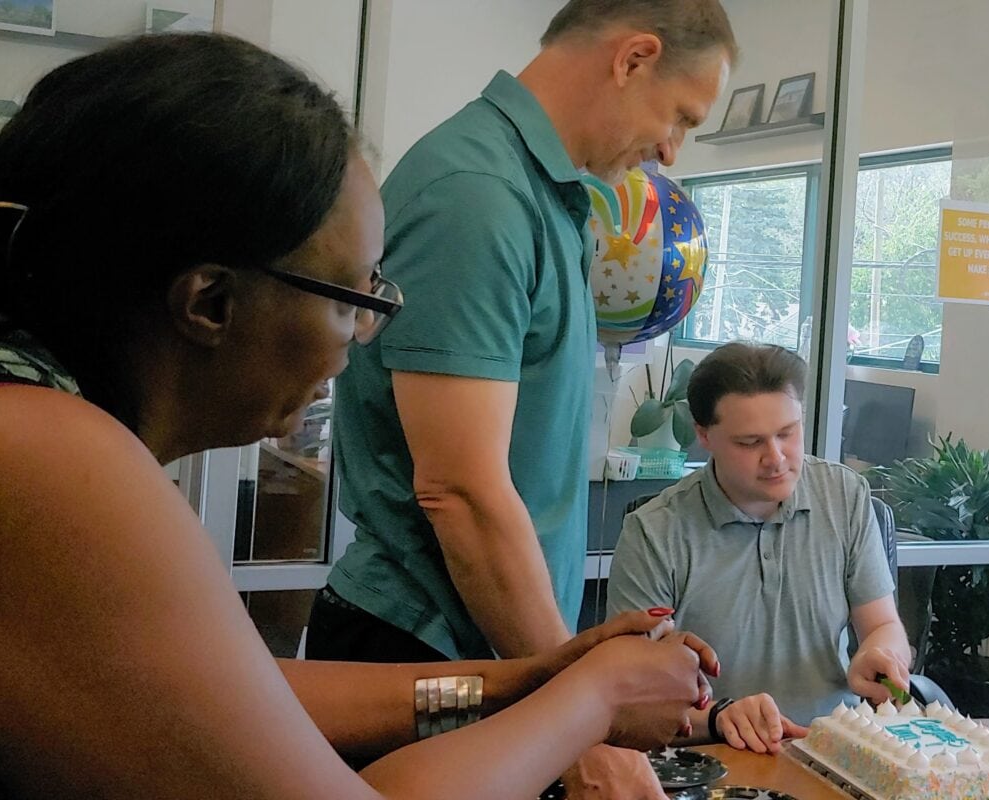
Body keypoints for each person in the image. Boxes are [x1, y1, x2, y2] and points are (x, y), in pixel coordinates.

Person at [0, 32, 720, 799]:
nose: (367, 334)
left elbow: (250, 696)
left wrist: (530, 678)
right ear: (209, 301)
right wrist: (591, 700)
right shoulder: (50, 450)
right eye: (356, 299)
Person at [308, 1, 737, 796]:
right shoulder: (478, 194)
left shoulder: (547, 200)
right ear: (633, 57)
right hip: (428, 655)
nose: (671, 151)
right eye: (681, 116)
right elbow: (460, 491)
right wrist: (584, 722)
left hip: (490, 655)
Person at [607, 342, 912, 755]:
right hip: (713, 755)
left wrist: (879, 654)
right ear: (703, 435)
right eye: (750, 443)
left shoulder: (844, 495)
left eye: (788, 433)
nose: (776, 458)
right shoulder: (655, 532)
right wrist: (718, 716)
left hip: (834, 748)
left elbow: (881, 625)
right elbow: (629, 697)